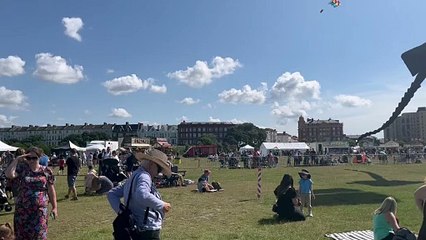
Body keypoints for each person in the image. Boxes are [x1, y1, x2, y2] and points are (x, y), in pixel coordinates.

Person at [108, 148, 172, 240]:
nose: (158, 174)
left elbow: (112, 194)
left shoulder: (134, 176)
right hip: (147, 229)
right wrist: (162, 205)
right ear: (151, 164)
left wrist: (122, 212)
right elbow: (142, 194)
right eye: (158, 169)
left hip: (135, 227)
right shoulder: (144, 176)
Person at [5, 147, 57, 240]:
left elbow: (51, 190)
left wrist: (54, 207)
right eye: (29, 158)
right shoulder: (22, 169)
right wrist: (16, 159)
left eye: (34, 158)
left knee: (39, 235)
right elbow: (9, 174)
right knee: (22, 236)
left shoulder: (46, 171)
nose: (31, 160)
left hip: (39, 211)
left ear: (39, 157)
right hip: (22, 211)